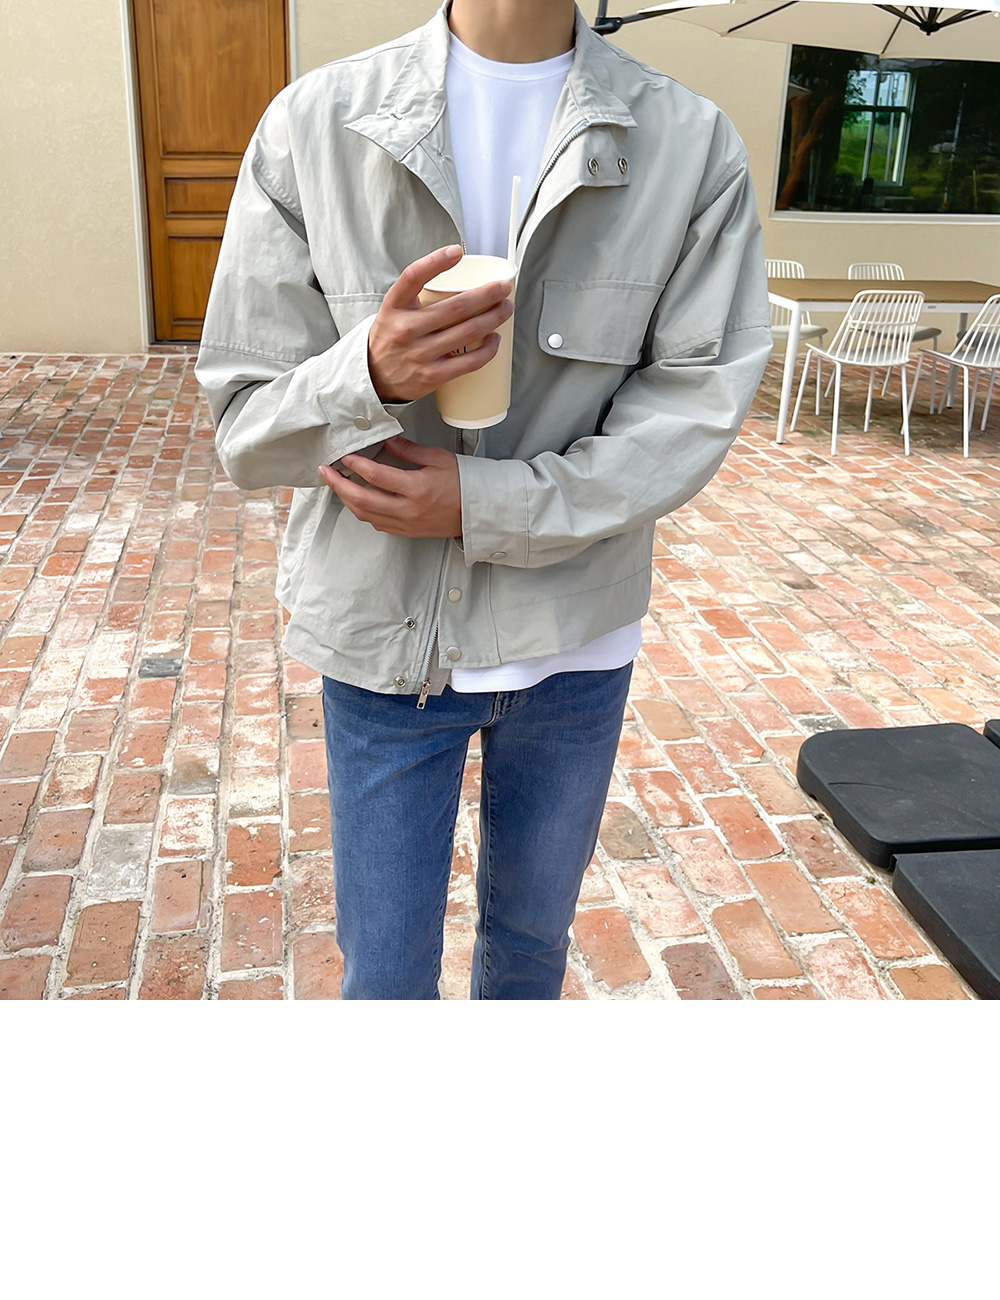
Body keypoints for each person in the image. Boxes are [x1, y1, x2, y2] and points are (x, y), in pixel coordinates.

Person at [196, 0, 772, 999]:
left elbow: (693, 410)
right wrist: (367, 373)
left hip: (575, 641)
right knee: (385, 977)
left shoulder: (689, 143)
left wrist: (485, 503)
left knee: (529, 955)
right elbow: (246, 426)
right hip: (383, 637)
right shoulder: (316, 122)